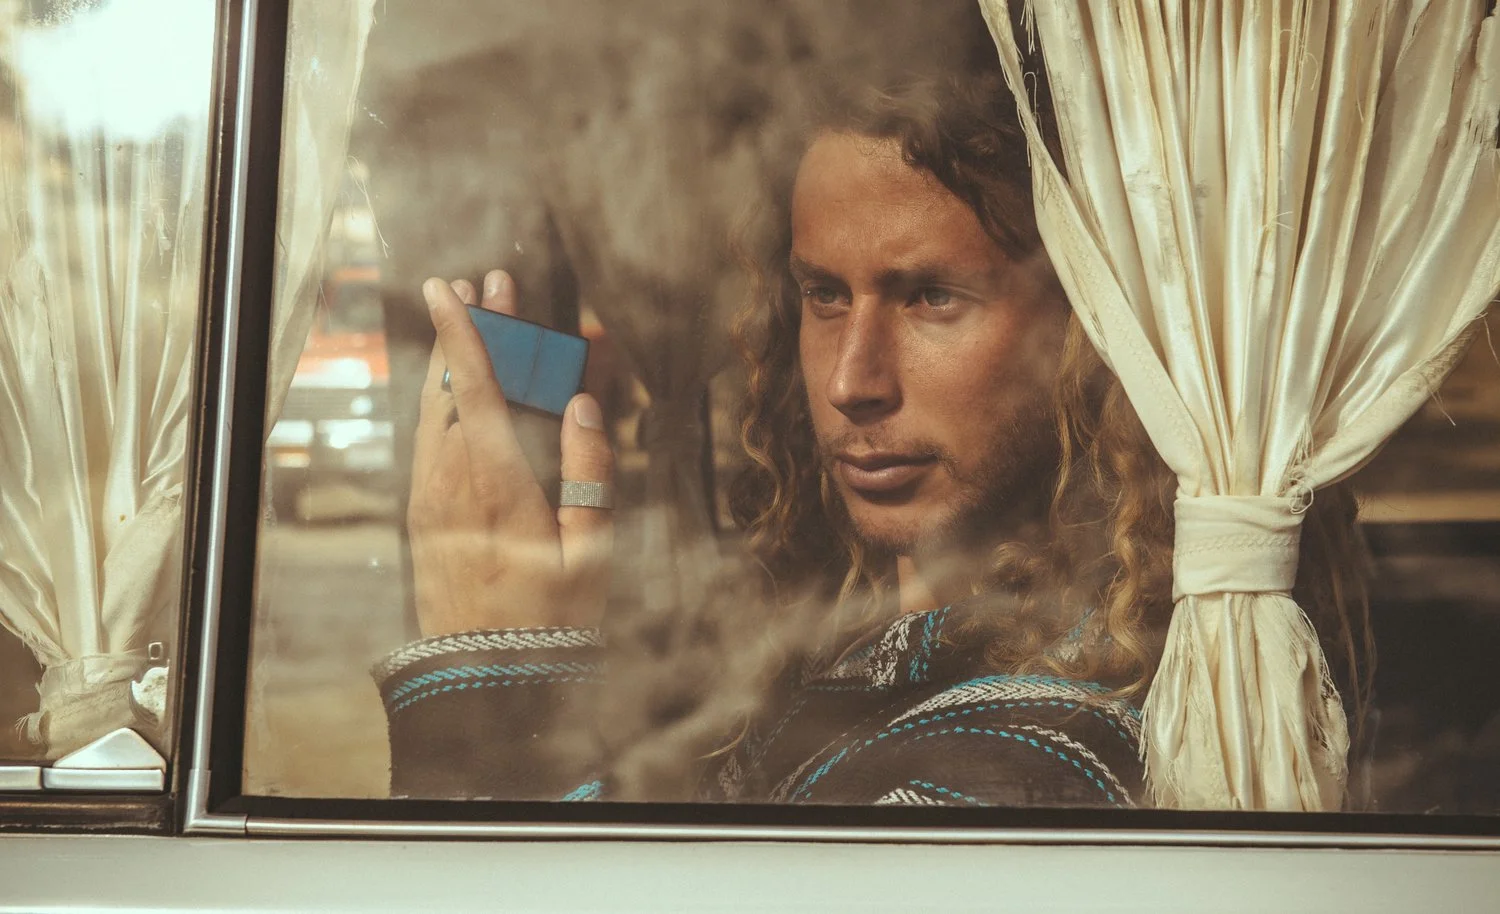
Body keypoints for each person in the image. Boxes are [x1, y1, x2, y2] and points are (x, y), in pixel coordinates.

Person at [375, 74, 1370, 807]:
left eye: (932, 297)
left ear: (1090, 333)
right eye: (823, 295)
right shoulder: (835, 650)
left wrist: (495, 697)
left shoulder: (1023, 768)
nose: (853, 381)